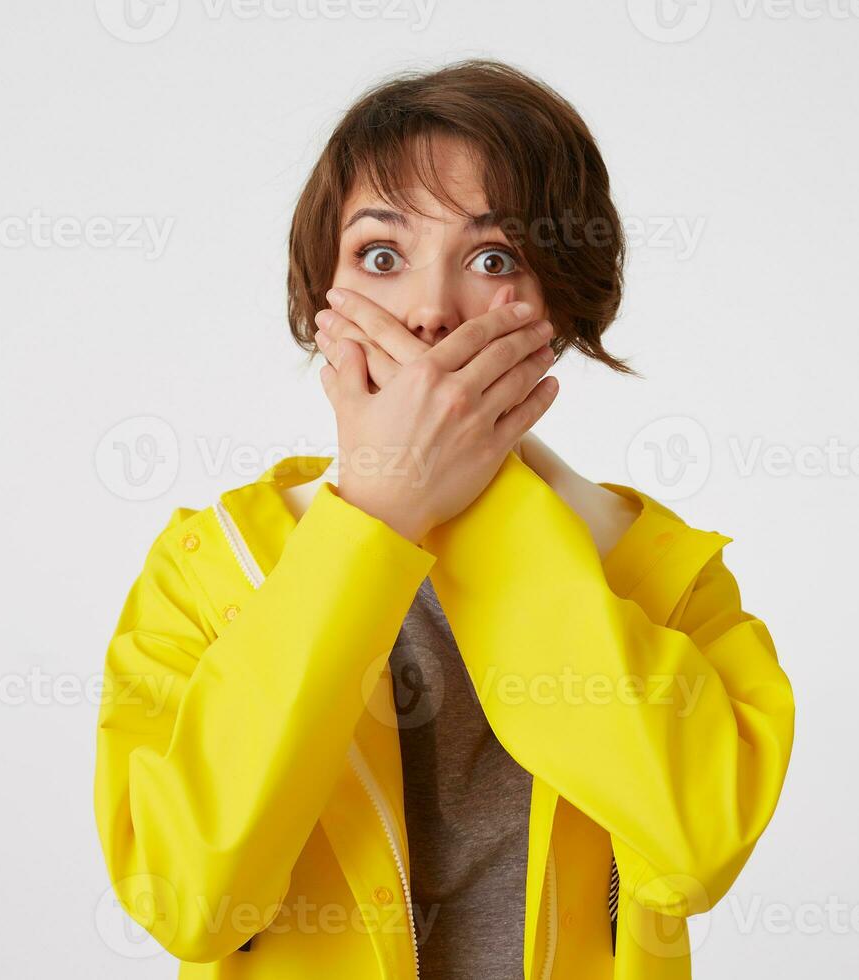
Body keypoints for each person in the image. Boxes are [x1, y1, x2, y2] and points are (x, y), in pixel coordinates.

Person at [94, 58, 795, 980]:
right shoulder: (209, 569)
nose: (427, 312)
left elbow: (695, 848)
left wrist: (482, 500)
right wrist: (375, 513)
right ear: (321, 303)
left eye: (493, 258)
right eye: (380, 257)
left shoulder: (663, 575)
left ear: (558, 308)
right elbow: (189, 901)